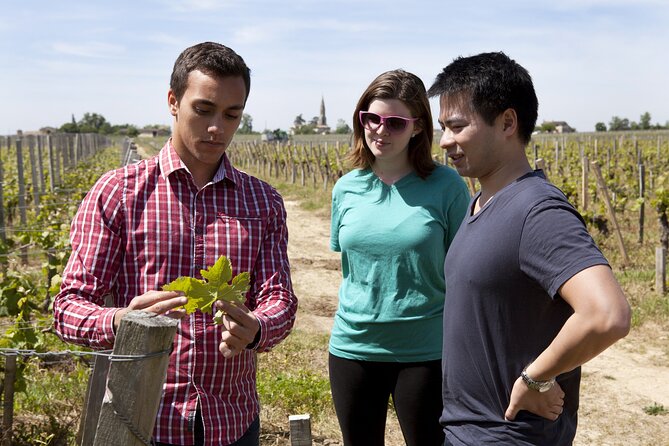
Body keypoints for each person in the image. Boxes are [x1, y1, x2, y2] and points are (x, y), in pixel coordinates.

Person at [53, 42, 297, 446]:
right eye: (203, 110)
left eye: (231, 115)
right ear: (173, 101)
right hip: (143, 422)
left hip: (232, 422)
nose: (217, 127)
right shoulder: (119, 192)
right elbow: (68, 306)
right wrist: (120, 322)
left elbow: (280, 300)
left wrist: (257, 328)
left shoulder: (263, 201)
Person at [427, 51, 632, 445]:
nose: (445, 141)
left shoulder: (537, 210)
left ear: (507, 122)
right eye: (442, 127)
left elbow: (608, 314)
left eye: (456, 126)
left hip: (507, 436)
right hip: (469, 432)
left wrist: (536, 377)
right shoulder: (482, 202)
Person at [328, 69, 470, 446]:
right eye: (371, 118)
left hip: (425, 352)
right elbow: (352, 267)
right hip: (353, 348)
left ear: (418, 127)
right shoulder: (346, 188)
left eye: (394, 122)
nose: (380, 130)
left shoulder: (448, 187)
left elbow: (463, 272)